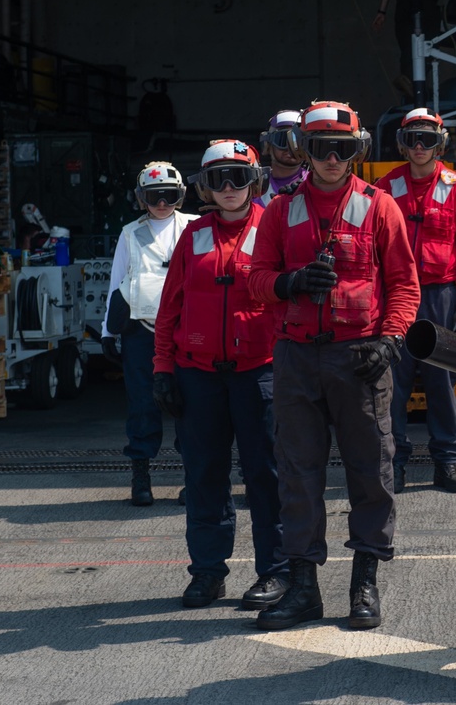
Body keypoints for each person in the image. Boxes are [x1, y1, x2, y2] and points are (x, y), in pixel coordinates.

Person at [248, 100, 420, 632]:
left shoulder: (379, 206)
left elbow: (405, 284)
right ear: (306, 150)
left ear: (356, 150)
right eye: (320, 148)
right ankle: (303, 588)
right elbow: (256, 279)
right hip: (297, 357)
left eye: (341, 149)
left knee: (373, 471)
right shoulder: (280, 210)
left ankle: (364, 581)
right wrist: (290, 283)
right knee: (298, 475)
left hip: (360, 358)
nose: (330, 158)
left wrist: (389, 342)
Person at [152, 139, 287, 611]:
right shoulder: (193, 236)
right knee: (205, 474)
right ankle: (208, 572)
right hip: (199, 376)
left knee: (266, 475)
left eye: (238, 177)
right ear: (205, 187)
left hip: (259, 374)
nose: (229, 188)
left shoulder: (274, 228)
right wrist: (163, 368)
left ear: (255, 181)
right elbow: (170, 307)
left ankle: (275, 572)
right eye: (218, 179)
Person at [375, 108, 456, 494]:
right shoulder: (386, 187)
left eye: (428, 140)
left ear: (441, 143)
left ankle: (447, 463)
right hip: (398, 292)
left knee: (442, 383)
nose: (420, 147)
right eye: (412, 139)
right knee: (395, 384)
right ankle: (395, 463)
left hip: (440, 295)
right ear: (402, 143)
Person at [101, 162, 197, 506]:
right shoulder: (130, 233)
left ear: (180, 197)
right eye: (154, 197)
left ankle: (194, 477)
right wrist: (107, 332)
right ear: (142, 198)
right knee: (143, 405)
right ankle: (141, 477)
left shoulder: (195, 228)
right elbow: (117, 281)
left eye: (169, 196)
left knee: (191, 405)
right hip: (141, 332)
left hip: (186, 329)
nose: (161, 204)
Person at [372, 0, 441, 99]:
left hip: (404, 5)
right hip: (425, 4)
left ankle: (409, 88)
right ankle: (409, 82)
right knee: (430, 49)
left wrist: (382, 11)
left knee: (409, 52)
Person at [255, 110, 309, 208]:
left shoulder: (315, 182)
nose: (291, 148)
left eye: (296, 141)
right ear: (268, 144)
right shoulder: (254, 187)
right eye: (283, 140)